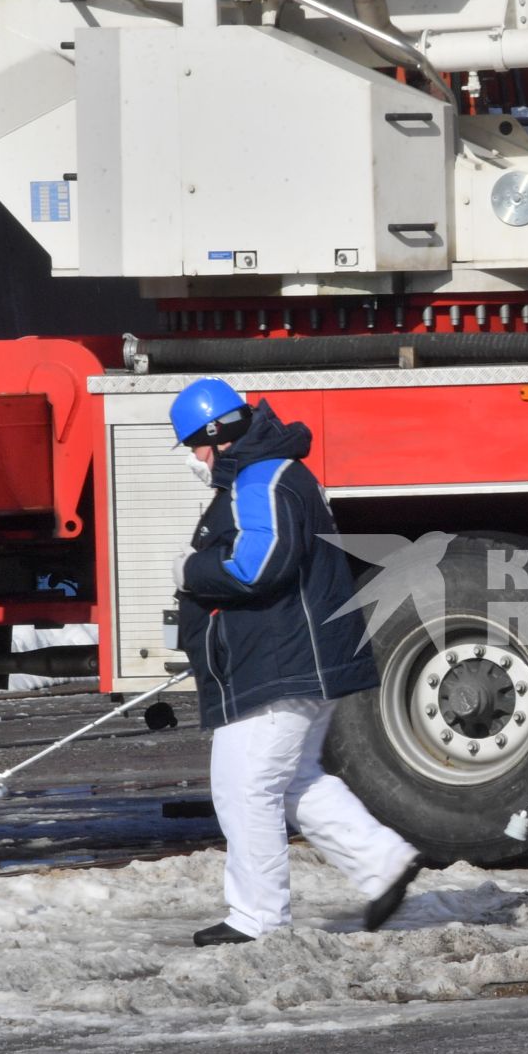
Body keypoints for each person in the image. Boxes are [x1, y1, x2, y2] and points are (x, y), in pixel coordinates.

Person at [169, 377, 420, 946]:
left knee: (245, 787)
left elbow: (258, 567)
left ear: (215, 436)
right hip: (292, 660)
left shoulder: (260, 478)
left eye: (193, 445)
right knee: (292, 782)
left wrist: (190, 570)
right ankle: (383, 863)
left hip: (280, 664)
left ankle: (256, 920)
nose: (193, 458)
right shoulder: (267, 473)